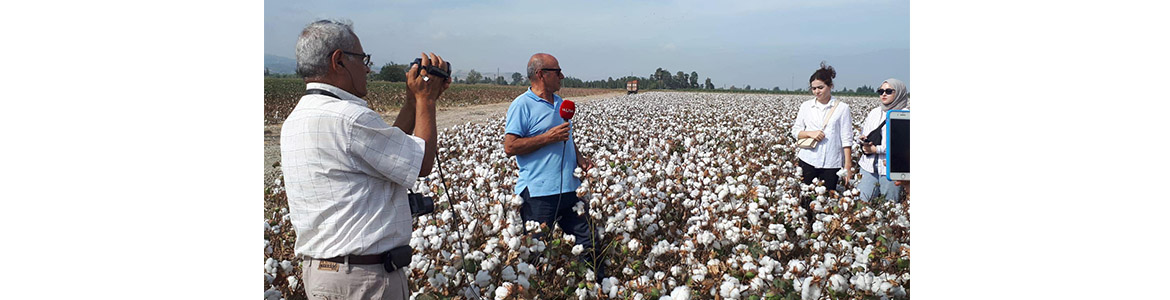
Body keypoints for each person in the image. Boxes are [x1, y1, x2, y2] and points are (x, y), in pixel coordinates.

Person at [280, 19, 450, 300]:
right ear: (339, 61)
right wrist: (427, 101)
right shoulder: (348, 118)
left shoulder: (298, 118)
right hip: (362, 281)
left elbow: (389, 151)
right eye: (362, 59)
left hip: (322, 275)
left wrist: (412, 102)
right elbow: (421, 163)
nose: (368, 68)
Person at [502, 53, 603, 277]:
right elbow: (510, 147)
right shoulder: (522, 106)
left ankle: (595, 286)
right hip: (539, 194)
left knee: (590, 243)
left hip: (570, 189)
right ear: (541, 74)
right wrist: (547, 138)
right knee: (537, 254)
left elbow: (567, 137)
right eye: (557, 72)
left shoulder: (561, 104)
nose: (562, 76)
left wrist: (580, 159)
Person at [791, 62, 854, 192]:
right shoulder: (806, 106)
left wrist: (848, 165)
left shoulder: (842, 108)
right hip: (808, 159)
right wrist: (810, 133)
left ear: (830, 86)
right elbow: (795, 131)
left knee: (828, 198)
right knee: (804, 197)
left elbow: (846, 138)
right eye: (813, 88)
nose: (816, 91)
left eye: (820, 87)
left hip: (832, 162)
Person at [858, 78, 910, 202]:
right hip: (868, 167)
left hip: (891, 169)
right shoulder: (874, 112)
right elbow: (864, 133)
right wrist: (863, 140)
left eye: (888, 91)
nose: (884, 94)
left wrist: (876, 149)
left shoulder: (906, 115)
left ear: (899, 93)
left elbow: (902, 146)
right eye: (881, 91)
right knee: (863, 204)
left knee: (890, 204)